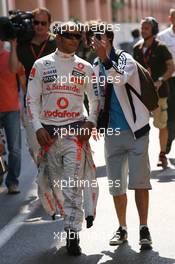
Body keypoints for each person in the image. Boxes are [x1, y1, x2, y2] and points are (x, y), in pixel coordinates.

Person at [26, 21, 99, 256]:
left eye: (79, 36)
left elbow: (96, 101)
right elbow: (31, 100)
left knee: (72, 186)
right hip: (48, 137)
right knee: (53, 186)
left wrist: (90, 123)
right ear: (58, 37)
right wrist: (37, 127)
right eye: (70, 36)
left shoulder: (86, 67)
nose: (75, 40)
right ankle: (66, 221)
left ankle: (72, 233)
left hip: (75, 135)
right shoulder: (41, 65)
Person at [93, 25, 152, 249]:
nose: (95, 41)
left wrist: (105, 59)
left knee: (139, 182)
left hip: (136, 130)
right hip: (112, 133)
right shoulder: (95, 66)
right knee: (117, 184)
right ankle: (122, 227)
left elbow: (119, 80)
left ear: (109, 38)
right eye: (93, 38)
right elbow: (97, 98)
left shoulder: (124, 58)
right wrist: (95, 123)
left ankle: (144, 228)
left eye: (99, 37)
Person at [17, 7, 57, 163]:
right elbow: (15, 69)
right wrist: (13, 42)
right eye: (36, 22)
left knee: (55, 148)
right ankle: (44, 178)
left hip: (54, 101)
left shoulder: (57, 42)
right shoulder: (22, 45)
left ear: (49, 24)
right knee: (35, 148)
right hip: (31, 102)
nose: (39, 26)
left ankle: (52, 182)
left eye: (43, 23)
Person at [133, 17, 174, 168]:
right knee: (140, 126)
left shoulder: (161, 47)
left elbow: (171, 67)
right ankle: (141, 157)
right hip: (141, 95)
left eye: (146, 28)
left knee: (162, 124)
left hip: (160, 93)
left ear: (154, 30)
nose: (143, 31)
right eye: (142, 28)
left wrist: (160, 80)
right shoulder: (136, 48)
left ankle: (162, 155)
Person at [0, 39, 25, 194]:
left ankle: (12, 181)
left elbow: (20, 77)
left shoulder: (11, 56)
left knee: (15, 149)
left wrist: (27, 108)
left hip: (11, 109)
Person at [157, 9, 175, 154]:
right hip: (169, 80)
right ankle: (167, 145)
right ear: (170, 18)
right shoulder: (162, 37)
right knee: (170, 113)